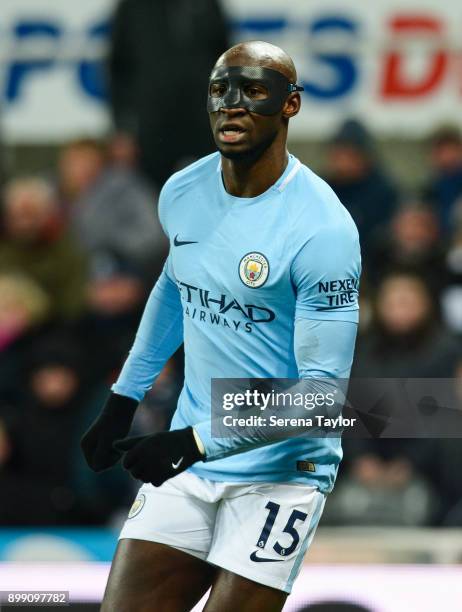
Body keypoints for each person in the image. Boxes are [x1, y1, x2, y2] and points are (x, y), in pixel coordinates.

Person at [81, 41, 361, 611]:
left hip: (281, 470)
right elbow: (175, 287)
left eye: (254, 91)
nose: (232, 105)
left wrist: (196, 441)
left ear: (291, 105)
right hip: (188, 459)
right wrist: (123, 398)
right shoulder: (183, 191)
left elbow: (322, 398)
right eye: (220, 90)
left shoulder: (323, 229)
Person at [108, 0, 230, 189]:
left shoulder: (208, 4)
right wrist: (122, 128)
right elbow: (118, 70)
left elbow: (226, 62)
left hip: (203, 123)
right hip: (152, 128)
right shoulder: (133, 6)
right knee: (154, 199)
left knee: (211, 192)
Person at [324, 119, 398, 257]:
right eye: (338, 154)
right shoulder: (321, 188)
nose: (342, 162)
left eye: (349, 155)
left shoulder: (383, 192)